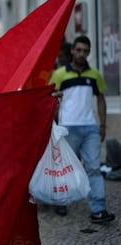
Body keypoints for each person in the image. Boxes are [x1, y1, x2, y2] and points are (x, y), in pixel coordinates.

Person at [49, 35, 115, 223]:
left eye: (85, 51)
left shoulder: (94, 74)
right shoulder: (60, 73)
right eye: (78, 50)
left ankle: (98, 209)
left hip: (90, 128)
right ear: (72, 51)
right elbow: (50, 98)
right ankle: (61, 200)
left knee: (94, 168)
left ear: (89, 52)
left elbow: (101, 99)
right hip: (68, 128)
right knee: (65, 167)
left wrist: (102, 125)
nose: (81, 54)